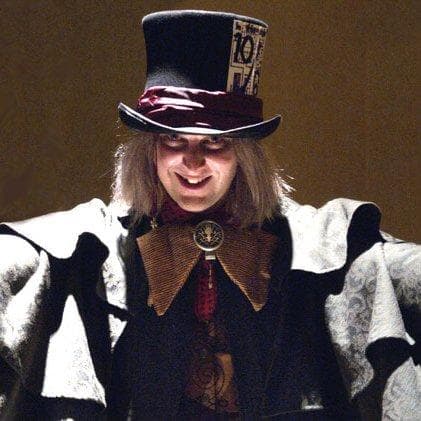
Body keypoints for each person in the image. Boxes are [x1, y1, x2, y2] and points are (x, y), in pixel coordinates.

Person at [0, 10, 419, 420]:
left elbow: (396, 268)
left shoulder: (313, 240)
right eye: (173, 139)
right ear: (149, 149)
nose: (193, 162)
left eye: (215, 143)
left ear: (244, 155)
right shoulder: (100, 242)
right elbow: (27, 257)